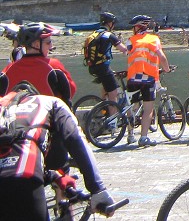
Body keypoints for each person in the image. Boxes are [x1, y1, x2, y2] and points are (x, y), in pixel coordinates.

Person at [0, 82, 117, 220]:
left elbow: (9, 154)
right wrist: (98, 189)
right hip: (25, 179)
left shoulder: (3, 106)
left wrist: (54, 176)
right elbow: (75, 138)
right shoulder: (51, 102)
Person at [125, 15, 171, 147]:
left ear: (138, 27)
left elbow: (130, 54)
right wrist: (166, 69)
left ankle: (130, 135)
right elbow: (161, 57)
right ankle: (143, 138)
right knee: (148, 109)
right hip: (148, 77)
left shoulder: (130, 40)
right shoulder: (153, 39)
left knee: (132, 107)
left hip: (132, 77)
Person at [0, 22, 75, 103]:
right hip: (47, 114)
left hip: (14, 114)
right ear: (36, 45)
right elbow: (71, 90)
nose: (51, 46)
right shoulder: (53, 66)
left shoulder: (8, 70)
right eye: (48, 42)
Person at [85, 12, 127, 104]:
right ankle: (113, 117)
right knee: (113, 93)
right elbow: (124, 49)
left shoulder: (95, 33)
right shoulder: (108, 35)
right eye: (113, 23)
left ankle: (103, 107)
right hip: (103, 67)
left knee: (107, 85)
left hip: (93, 66)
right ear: (110, 23)